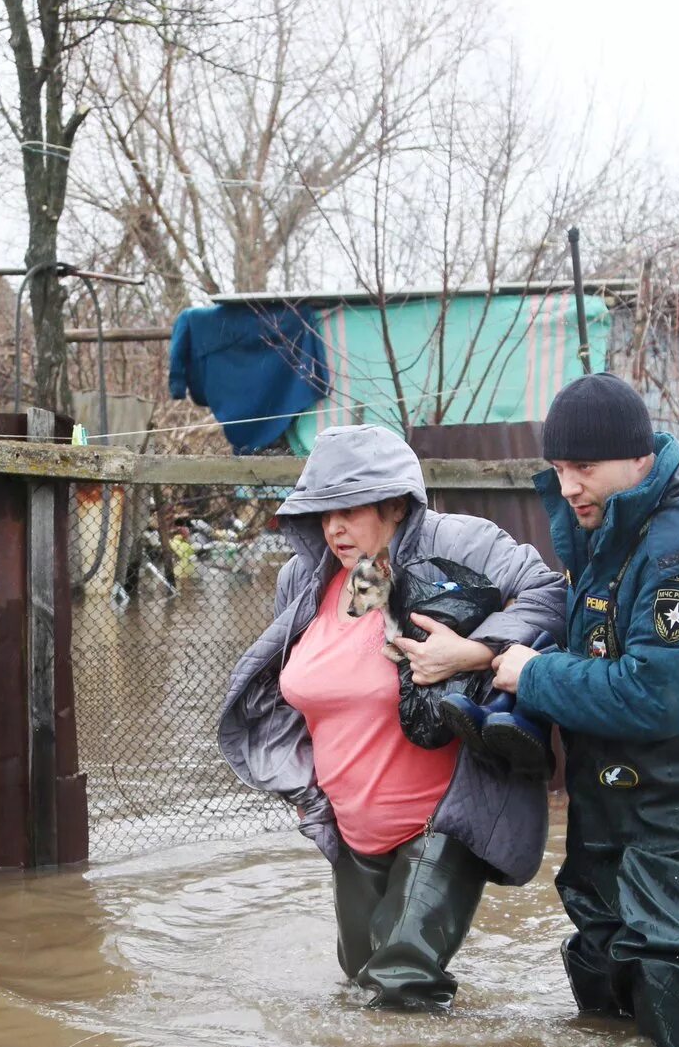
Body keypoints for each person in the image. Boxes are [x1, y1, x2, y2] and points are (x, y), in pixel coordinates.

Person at [491, 373, 679, 1047]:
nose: (567, 486)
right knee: (602, 972)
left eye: (584, 468)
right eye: (558, 468)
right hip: (615, 800)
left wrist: (534, 675)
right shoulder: (604, 529)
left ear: (638, 457)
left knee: (667, 976)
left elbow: (660, 694)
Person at [219, 424, 567, 1009]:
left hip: (442, 820)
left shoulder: (457, 543)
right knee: (360, 984)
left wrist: (475, 652)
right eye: (323, 512)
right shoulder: (313, 582)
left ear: (396, 502)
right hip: (354, 828)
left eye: (350, 509)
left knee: (402, 985)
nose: (334, 527)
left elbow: (550, 596)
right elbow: (330, 679)